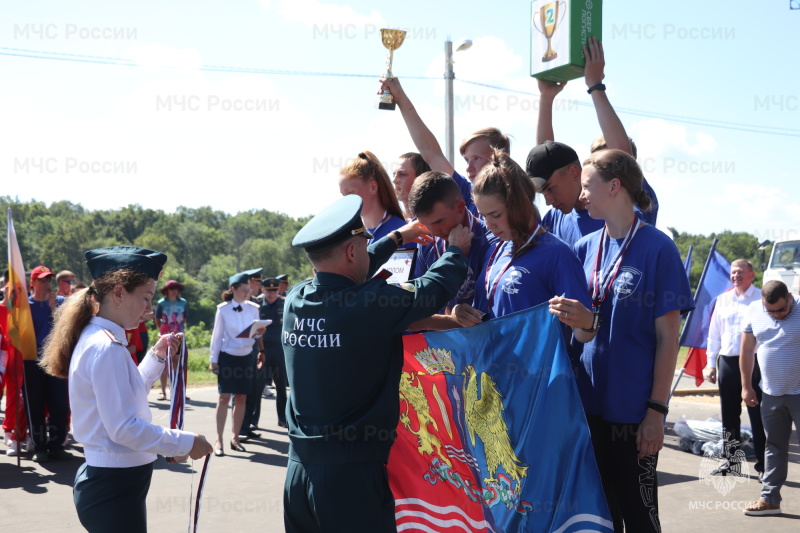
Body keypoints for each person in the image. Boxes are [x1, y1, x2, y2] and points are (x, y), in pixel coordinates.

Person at [282, 194, 470, 532]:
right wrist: (456, 251)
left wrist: (398, 237)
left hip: (298, 474)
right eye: (360, 246)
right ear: (353, 252)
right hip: (350, 480)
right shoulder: (368, 304)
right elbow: (432, 289)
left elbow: (354, 264)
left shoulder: (295, 299)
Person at [557, 149, 693, 531]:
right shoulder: (583, 249)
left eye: (587, 186)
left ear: (614, 186)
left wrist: (656, 411)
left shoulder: (659, 248)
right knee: (598, 516)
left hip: (633, 414)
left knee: (640, 516)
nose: (581, 195)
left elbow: (669, 338)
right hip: (588, 410)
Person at [39, 246, 212, 532]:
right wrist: (186, 442)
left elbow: (126, 395)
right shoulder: (107, 346)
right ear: (118, 293)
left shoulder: (103, 339)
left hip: (114, 485)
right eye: (145, 298)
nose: (148, 309)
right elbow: (124, 428)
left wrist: (156, 356)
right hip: (113, 488)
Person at [449, 152, 596, 345]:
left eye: (495, 214)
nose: (489, 224)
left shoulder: (557, 254)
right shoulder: (496, 251)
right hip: (493, 371)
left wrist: (589, 323)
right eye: (484, 216)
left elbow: (583, 334)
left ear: (519, 204)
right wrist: (459, 314)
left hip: (536, 374)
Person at [532, 37, 658, 247]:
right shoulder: (558, 216)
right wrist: (546, 97)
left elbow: (623, 155)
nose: (548, 200)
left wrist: (595, 86)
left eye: (551, 189)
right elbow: (547, 159)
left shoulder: (616, 204)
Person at [406, 170, 498, 329]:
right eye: (426, 225)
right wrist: (452, 318)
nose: (434, 232)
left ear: (460, 206)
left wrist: (446, 318)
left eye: (438, 222)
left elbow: (488, 317)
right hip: (444, 349)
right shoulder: (427, 243)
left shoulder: (491, 241)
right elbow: (411, 315)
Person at [741, 280, 800, 516]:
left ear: (789, 298)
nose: (776, 315)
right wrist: (746, 386)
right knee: (773, 446)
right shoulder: (754, 310)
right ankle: (770, 499)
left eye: (781, 309)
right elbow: (746, 350)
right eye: (771, 310)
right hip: (771, 393)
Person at [703, 259, 765, 478]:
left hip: (756, 363)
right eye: (733, 272)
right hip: (728, 362)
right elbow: (714, 334)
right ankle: (732, 462)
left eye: (740, 272)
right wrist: (711, 364)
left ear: (752, 274)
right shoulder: (723, 300)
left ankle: (764, 466)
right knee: (729, 415)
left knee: (758, 416)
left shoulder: (761, 298)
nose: (736, 276)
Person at [208, 271, 265, 457]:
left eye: (249, 290)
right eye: (244, 290)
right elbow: (216, 336)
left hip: (246, 356)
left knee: (241, 397)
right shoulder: (222, 309)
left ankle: (235, 438)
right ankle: (219, 439)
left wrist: (259, 333)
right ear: (233, 289)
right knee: (224, 397)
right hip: (228, 356)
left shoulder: (254, 308)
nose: (247, 294)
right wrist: (213, 360)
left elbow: (256, 334)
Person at [25, 265, 71, 463]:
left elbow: (66, 330)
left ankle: (56, 446)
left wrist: (54, 309)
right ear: (32, 283)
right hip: (31, 361)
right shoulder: (24, 306)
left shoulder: (61, 303)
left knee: (60, 406)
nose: (47, 284)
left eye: (49, 280)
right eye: (42, 280)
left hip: (54, 360)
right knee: (34, 406)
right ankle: (39, 447)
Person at [339, 151, 412, 248]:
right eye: (344, 195)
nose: (346, 201)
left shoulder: (405, 233)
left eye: (350, 193)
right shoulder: (348, 238)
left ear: (373, 187)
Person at [258, 277, 288, 428]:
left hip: (279, 349)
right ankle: (252, 422)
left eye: (274, 290)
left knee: (281, 385)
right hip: (260, 348)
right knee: (256, 385)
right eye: (268, 291)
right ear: (263, 290)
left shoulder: (285, 303)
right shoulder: (256, 304)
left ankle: (282, 418)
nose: (271, 294)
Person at [154, 280, 188, 400]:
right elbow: (157, 319)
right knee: (164, 364)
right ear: (167, 291)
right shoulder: (161, 303)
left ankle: (179, 390)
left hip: (179, 337)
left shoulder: (183, 303)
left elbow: (184, 318)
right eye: (172, 288)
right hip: (165, 336)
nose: (174, 291)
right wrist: (163, 331)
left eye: (176, 288)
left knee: (179, 363)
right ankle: (163, 391)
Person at [392, 152, 431, 220]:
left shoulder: (432, 224)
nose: (394, 180)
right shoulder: (393, 223)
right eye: (394, 175)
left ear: (421, 179)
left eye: (402, 174)